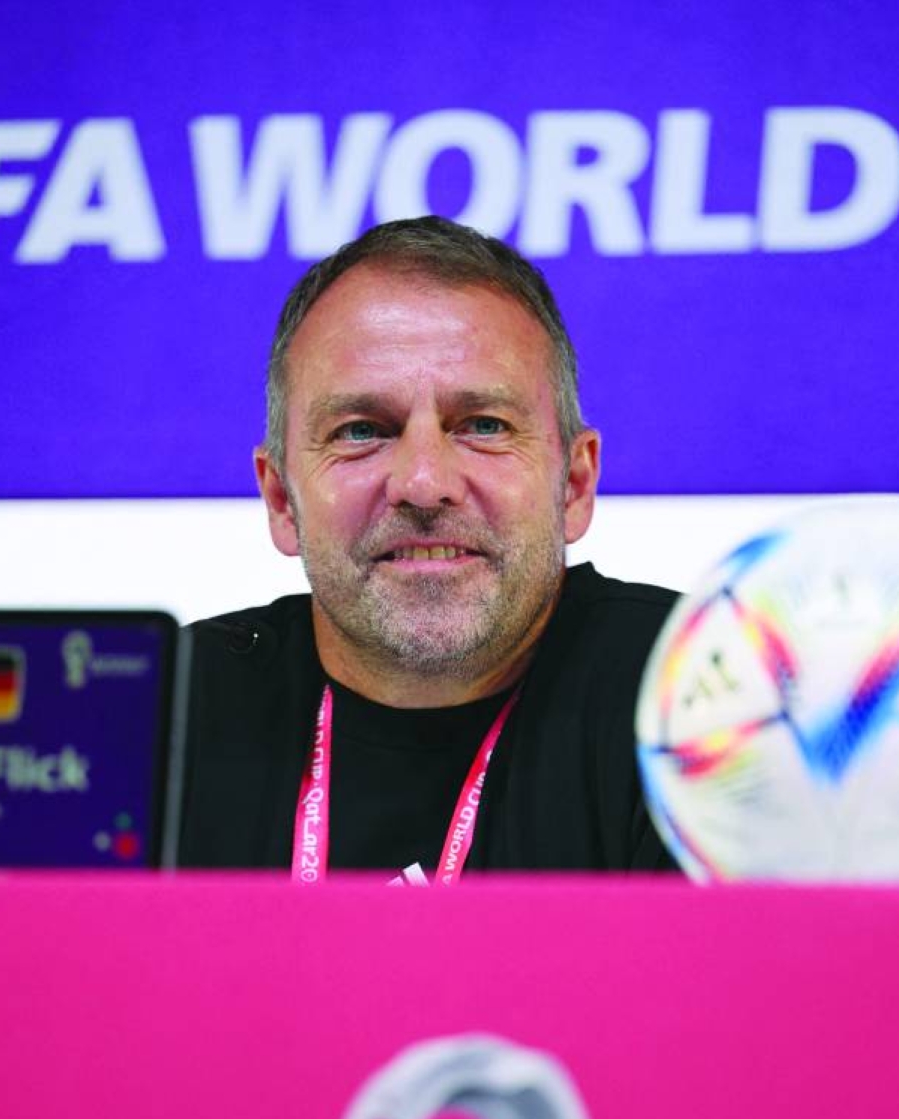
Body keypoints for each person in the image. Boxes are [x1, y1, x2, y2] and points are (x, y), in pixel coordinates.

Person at [178, 216, 679, 879]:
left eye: (482, 424)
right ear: (280, 500)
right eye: (362, 430)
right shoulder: (161, 717)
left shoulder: (703, 699)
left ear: (575, 485)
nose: (423, 483)